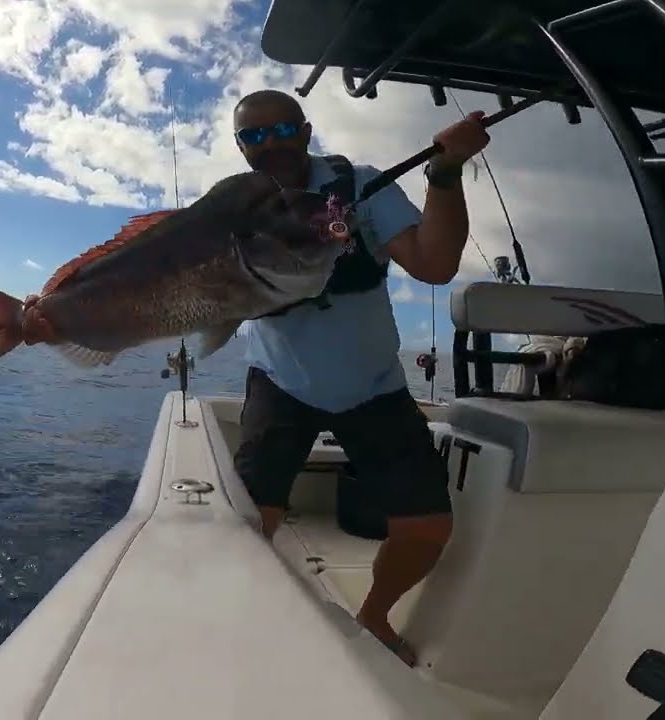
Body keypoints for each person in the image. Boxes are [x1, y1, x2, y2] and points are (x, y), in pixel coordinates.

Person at [229, 89, 489, 667]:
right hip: (281, 382)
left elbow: (435, 264)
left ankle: (373, 613)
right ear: (240, 146)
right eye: (253, 137)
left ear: (305, 129)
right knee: (249, 524)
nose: (269, 145)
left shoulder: (361, 186)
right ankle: (251, 620)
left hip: (373, 385)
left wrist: (445, 175)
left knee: (426, 528)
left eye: (280, 131)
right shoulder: (233, 209)